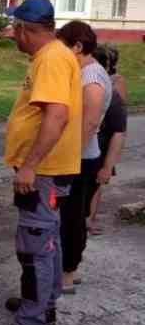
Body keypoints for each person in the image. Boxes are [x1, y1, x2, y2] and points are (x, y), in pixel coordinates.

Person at [0, 0, 83, 325]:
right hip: (50, 171)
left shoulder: (51, 59)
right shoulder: (51, 55)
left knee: (34, 247)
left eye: (15, 28)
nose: (12, 34)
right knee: (48, 241)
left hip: (42, 174)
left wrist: (29, 166)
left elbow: (56, 116)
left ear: (25, 29)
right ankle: (44, 304)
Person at [56, 21, 112, 294]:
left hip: (80, 159)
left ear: (77, 46)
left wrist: (68, 156)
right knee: (71, 216)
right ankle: (70, 269)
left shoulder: (91, 77)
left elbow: (89, 124)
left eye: (63, 46)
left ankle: (67, 273)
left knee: (71, 218)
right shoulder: (89, 72)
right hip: (79, 158)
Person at [87, 45, 128, 235]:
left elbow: (119, 129)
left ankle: (88, 221)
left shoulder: (113, 87)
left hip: (101, 145)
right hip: (93, 146)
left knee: (95, 185)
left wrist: (107, 166)